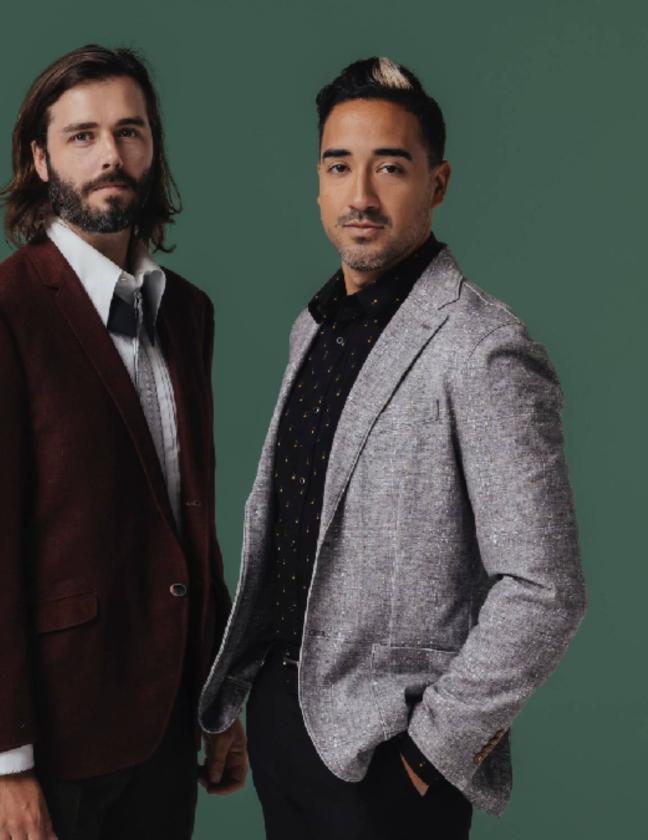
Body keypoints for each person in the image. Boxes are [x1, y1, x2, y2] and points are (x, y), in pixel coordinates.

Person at [197, 57, 587, 838]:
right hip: (281, 727)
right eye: (339, 167)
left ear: (437, 184)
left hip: (389, 760)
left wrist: (432, 749)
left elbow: (545, 588)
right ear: (317, 183)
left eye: (391, 168)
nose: (361, 195)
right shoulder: (310, 329)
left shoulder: (483, 349)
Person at [0, 45, 244, 840]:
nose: (110, 156)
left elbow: (188, 521)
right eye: (83, 135)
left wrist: (220, 700)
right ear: (39, 157)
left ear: (153, 147)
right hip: (54, 737)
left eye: (130, 133)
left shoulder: (186, 312)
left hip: (168, 724)